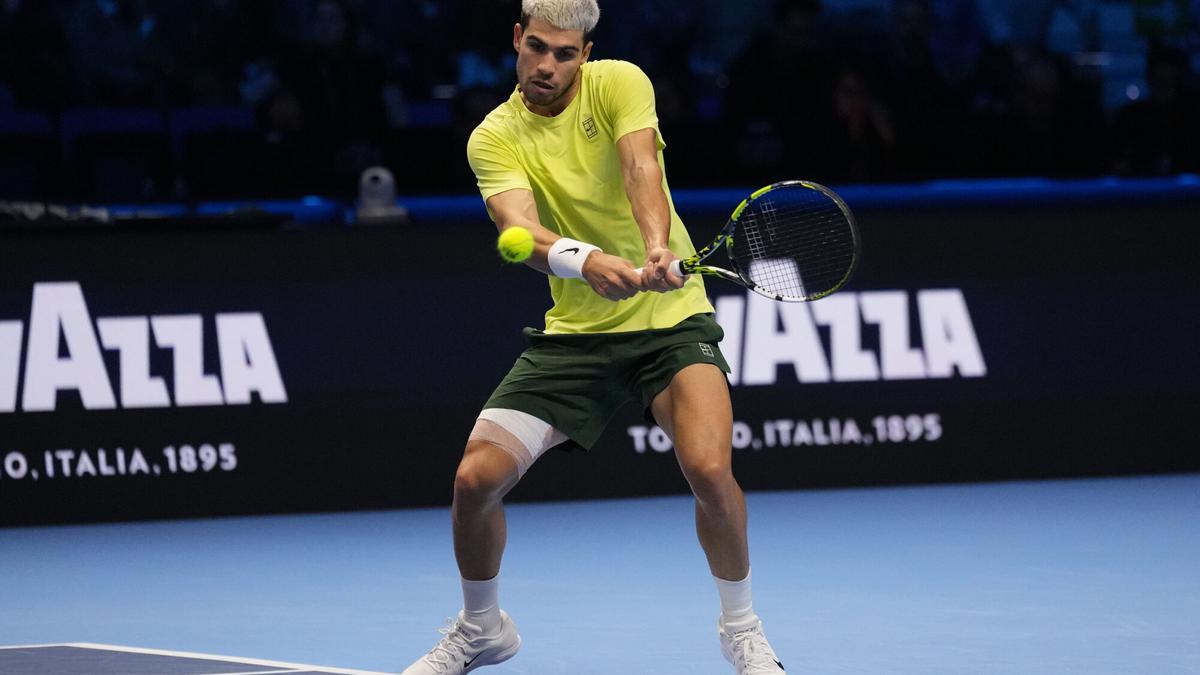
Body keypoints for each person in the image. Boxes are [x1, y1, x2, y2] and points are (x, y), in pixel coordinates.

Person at [401, 1, 786, 674]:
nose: (547, 65)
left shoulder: (620, 82)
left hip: (671, 324)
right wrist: (585, 261)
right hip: (577, 336)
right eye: (537, 48)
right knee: (474, 480)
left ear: (585, 53)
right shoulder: (494, 136)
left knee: (709, 469)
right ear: (517, 39)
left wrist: (656, 246)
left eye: (564, 53)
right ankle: (483, 627)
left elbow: (640, 169)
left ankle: (742, 629)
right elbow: (518, 232)